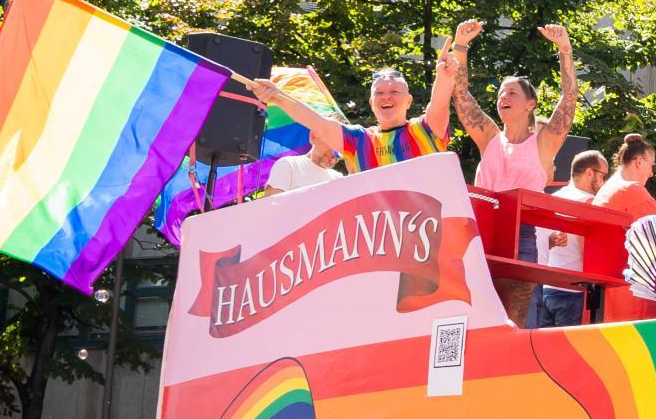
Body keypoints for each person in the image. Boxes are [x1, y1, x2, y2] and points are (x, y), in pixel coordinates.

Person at [448, 20, 581, 324]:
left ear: (530, 104)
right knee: (474, 315)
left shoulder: (544, 143)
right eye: (500, 94)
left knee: (514, 320)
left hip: (521, 233)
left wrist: (564, 49)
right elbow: (461, 96)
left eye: (511, 94)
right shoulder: (490, 137)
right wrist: (461, 46)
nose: (502, 98)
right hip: (479, 229)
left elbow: (569, 99)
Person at [249, 54, 456, 175]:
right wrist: (277, 97)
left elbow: (439, 104)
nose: (386, 97)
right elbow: (319, 124)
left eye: (394, 92)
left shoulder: (425, 129)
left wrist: (445, 77)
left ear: (409, 101)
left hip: (430, 236)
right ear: (371, 103)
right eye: (380, 93)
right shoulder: (359, 140)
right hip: (378, 242)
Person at [596, 134, 656, 323]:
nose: (652, 173)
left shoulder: (608, 189)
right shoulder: (631, 190)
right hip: (633, 295)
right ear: (639, 162)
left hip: (612, 291)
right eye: (651, 165)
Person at [534, 149, 610, 328]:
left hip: (548, 286)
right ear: (590, 173)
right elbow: (589, 252)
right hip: (573, 290)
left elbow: (545, 241)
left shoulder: (556, 196)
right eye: (604, 176)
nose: (604, 183)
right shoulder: (589, 202)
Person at [261, 136, 342, 197]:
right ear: (314, 137)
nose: (336, 153)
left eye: (342, 147)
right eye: (332, 143)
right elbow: (270, 208)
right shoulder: (289, 165)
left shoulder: (339, 179)